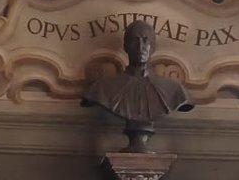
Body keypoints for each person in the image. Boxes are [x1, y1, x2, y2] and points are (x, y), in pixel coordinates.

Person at [81, 19, 194, 149]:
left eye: (146, 40)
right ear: (125, 46)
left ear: (153, 46)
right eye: (135, 40)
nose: (140, 47)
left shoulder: (175, 91)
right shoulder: (102, 89)